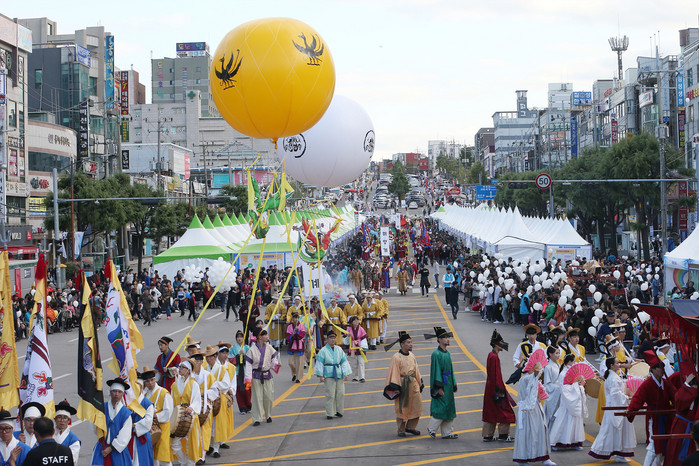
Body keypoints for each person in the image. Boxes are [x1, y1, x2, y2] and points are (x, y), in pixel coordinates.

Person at [626, 351, 676, 466]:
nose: (662, 370)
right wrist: (631, 410)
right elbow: (638, 399)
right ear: (652, 369)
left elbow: (675, 397)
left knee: (664, 446)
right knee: (654, 446)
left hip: (667, 417)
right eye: (659, 367)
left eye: (663, 367)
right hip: (654, 418)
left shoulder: (666, 383)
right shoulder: (647, 384)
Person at [512, 349, 556, 466]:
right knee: (527, 434)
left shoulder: (532, 378)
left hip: (536, 408)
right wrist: (536, 374)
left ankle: (544, 457)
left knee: (541, 431)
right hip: (526, 410)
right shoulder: (526, 378)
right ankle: (522, 460)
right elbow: (532, 380)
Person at [589, 357, 636, 463]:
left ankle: (619, 453)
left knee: (613, 431)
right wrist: (627, 397)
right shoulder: (613, 378)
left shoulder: (612, 376)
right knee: (611, 431)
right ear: (611, 365)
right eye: (617, 363)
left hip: (616, 405)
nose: (619, 365)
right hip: (615, 406)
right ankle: (615, 452)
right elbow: (616, 394)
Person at [383, 331, 423, 437]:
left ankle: (411, 427)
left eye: (411, 342)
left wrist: (420, 382)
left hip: (413, 383)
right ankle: (401, 429)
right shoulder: (396, 357)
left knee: (416, 405)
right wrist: (395, 387)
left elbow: (416, 370)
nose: (411, 344)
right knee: (402, 407)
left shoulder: (412, 355)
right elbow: (394, 372)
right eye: (408, 343)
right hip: (402, 384)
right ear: (402, 344)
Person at [90, 378, 134, 466]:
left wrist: (111, 448)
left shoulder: (126, 413)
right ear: (110, 392)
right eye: (114, 391)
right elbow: (94, 425)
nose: (116, 394)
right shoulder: (102, 408)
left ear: (122, 394)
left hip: (118, 451)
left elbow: (125, 435)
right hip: (102, 448)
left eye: (119, 392)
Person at [482, 329, 515, 442]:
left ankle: (488, 435)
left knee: (491, 410)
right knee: (505, 411)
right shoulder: (494, 357)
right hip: (496, 388)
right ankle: (503, 435)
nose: (503, 344)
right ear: (496, 344)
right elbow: (496, 375)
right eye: (501, 342)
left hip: (490, 387)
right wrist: (499, 390)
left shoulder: (491, 355)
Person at [427, 327, 458, 439]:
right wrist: (439, 387)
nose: (448, 339)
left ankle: (447, 432)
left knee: (449, 406)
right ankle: (431, 428)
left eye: (448, 337)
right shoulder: (436, 354)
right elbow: (436, 371)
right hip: (441, 383)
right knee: (441, 406)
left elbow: (451, 369)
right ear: (439, 339)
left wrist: (453, 383)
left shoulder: (447, 353)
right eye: (445, 337)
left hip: (448, 383)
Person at [245, 328, 281, 426]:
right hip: (256, 376)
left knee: (269, 396)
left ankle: (268, 415)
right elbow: (248, 365)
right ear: (259, 337)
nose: (266, 336)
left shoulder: (269, 348)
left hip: (267, 375)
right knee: (257, 398)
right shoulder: (252, 350)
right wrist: (248, 379)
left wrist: (276, 364)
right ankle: (257, 418)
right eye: (264, 335)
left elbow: (273, 360)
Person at [665, 363, 699, 466]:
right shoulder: (685, 380)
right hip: (683, 426)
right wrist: (687, 385)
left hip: (689, 426)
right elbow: (679, 402)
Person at [170, 360, 202, 466]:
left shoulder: (194, 384)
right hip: (178, 419)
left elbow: (197, 400)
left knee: (191, 443)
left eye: (182, 367)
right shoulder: (175, 385)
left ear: (188, 370)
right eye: (179, 367)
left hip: (190, 417)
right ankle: (183, 462)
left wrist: (192, 408)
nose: (180, 369)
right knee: (174, 443)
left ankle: (191, 463)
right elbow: (172, 401)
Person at [315, 331, 352, 419]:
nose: (333, 340)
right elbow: (319, 363)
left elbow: (344, 361)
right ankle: (330, 413)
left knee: (340, 393)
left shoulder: (339, 349)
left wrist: (346, 373)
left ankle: (339, 411)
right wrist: (321, 375)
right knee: (330, 394)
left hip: (338, 373)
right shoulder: (323, 350)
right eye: (331, 338)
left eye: (334, 338)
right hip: (328, 374)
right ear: (327, 339)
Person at [209, 342, 236, 456]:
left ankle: (216, 447)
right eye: (222, 352)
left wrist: (231, 390)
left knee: (218, 424)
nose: (225, 355)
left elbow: (228, 383)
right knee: (209, 424)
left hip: (220, 399)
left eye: (226, 352)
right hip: (208, 400)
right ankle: (210, 445)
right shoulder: (205, 368)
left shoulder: (225, 368)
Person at [132, 375, 155, 466]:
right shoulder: (128, 402)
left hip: (142, 437)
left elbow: (148, 422)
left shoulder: (147, 404)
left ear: (142, 387)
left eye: (138, 385)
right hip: (128, 437)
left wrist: (134, 425)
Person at [52, 400, 80, 465]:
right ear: (55, 419)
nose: (62, 420)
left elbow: (73, 460)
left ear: (69, 420)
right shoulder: (49, 435)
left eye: (65, 418)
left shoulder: (73, 440)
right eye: (59, 417)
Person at [230, 331, 252, 414]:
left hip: (246, 372)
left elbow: (251, 359)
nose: (239, 338)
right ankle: (242, 407)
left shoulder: (247, 347)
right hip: (238, 372)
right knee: (239, 390)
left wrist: (245, 355)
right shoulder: (232, 348)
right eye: (238, 337)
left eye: (241, 337)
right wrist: (238, 356)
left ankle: (248, 405)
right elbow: (230, 359)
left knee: (247, 390)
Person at [542, 346, 561, 429]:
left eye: (559, 353)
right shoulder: (548, 366)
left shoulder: (558, 364)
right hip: (553, 393)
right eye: (556, 353)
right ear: (550, 354)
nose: (559, 355)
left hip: (558, 392)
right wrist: (558, 387)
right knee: (551, 415)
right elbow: (547, 384)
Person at [344, 316, 367, 382]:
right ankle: (355, 377)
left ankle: (362, 377)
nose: (356, 322)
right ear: (351, 322)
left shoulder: (361, 329)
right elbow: (345, 341)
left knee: (361, 362)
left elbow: (364, 338)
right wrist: (348, 337)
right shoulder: (349, 329)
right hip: (352, 347)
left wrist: (363, 347)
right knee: (354, 363)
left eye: (357, 320)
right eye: (354, 320)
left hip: (360, 347)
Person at [286, 313, 307, 383]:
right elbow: (288, 337)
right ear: (292, 319)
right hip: (292, 345)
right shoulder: (289, 327)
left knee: (299, 362)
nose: (296, 319)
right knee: (291, 362)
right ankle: (294, 373)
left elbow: (302, 335)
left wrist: (297, 332)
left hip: (299, 344)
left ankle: (298, 377)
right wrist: (293, 334)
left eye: (297, 318)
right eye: (295, 318)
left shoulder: (301, 326)